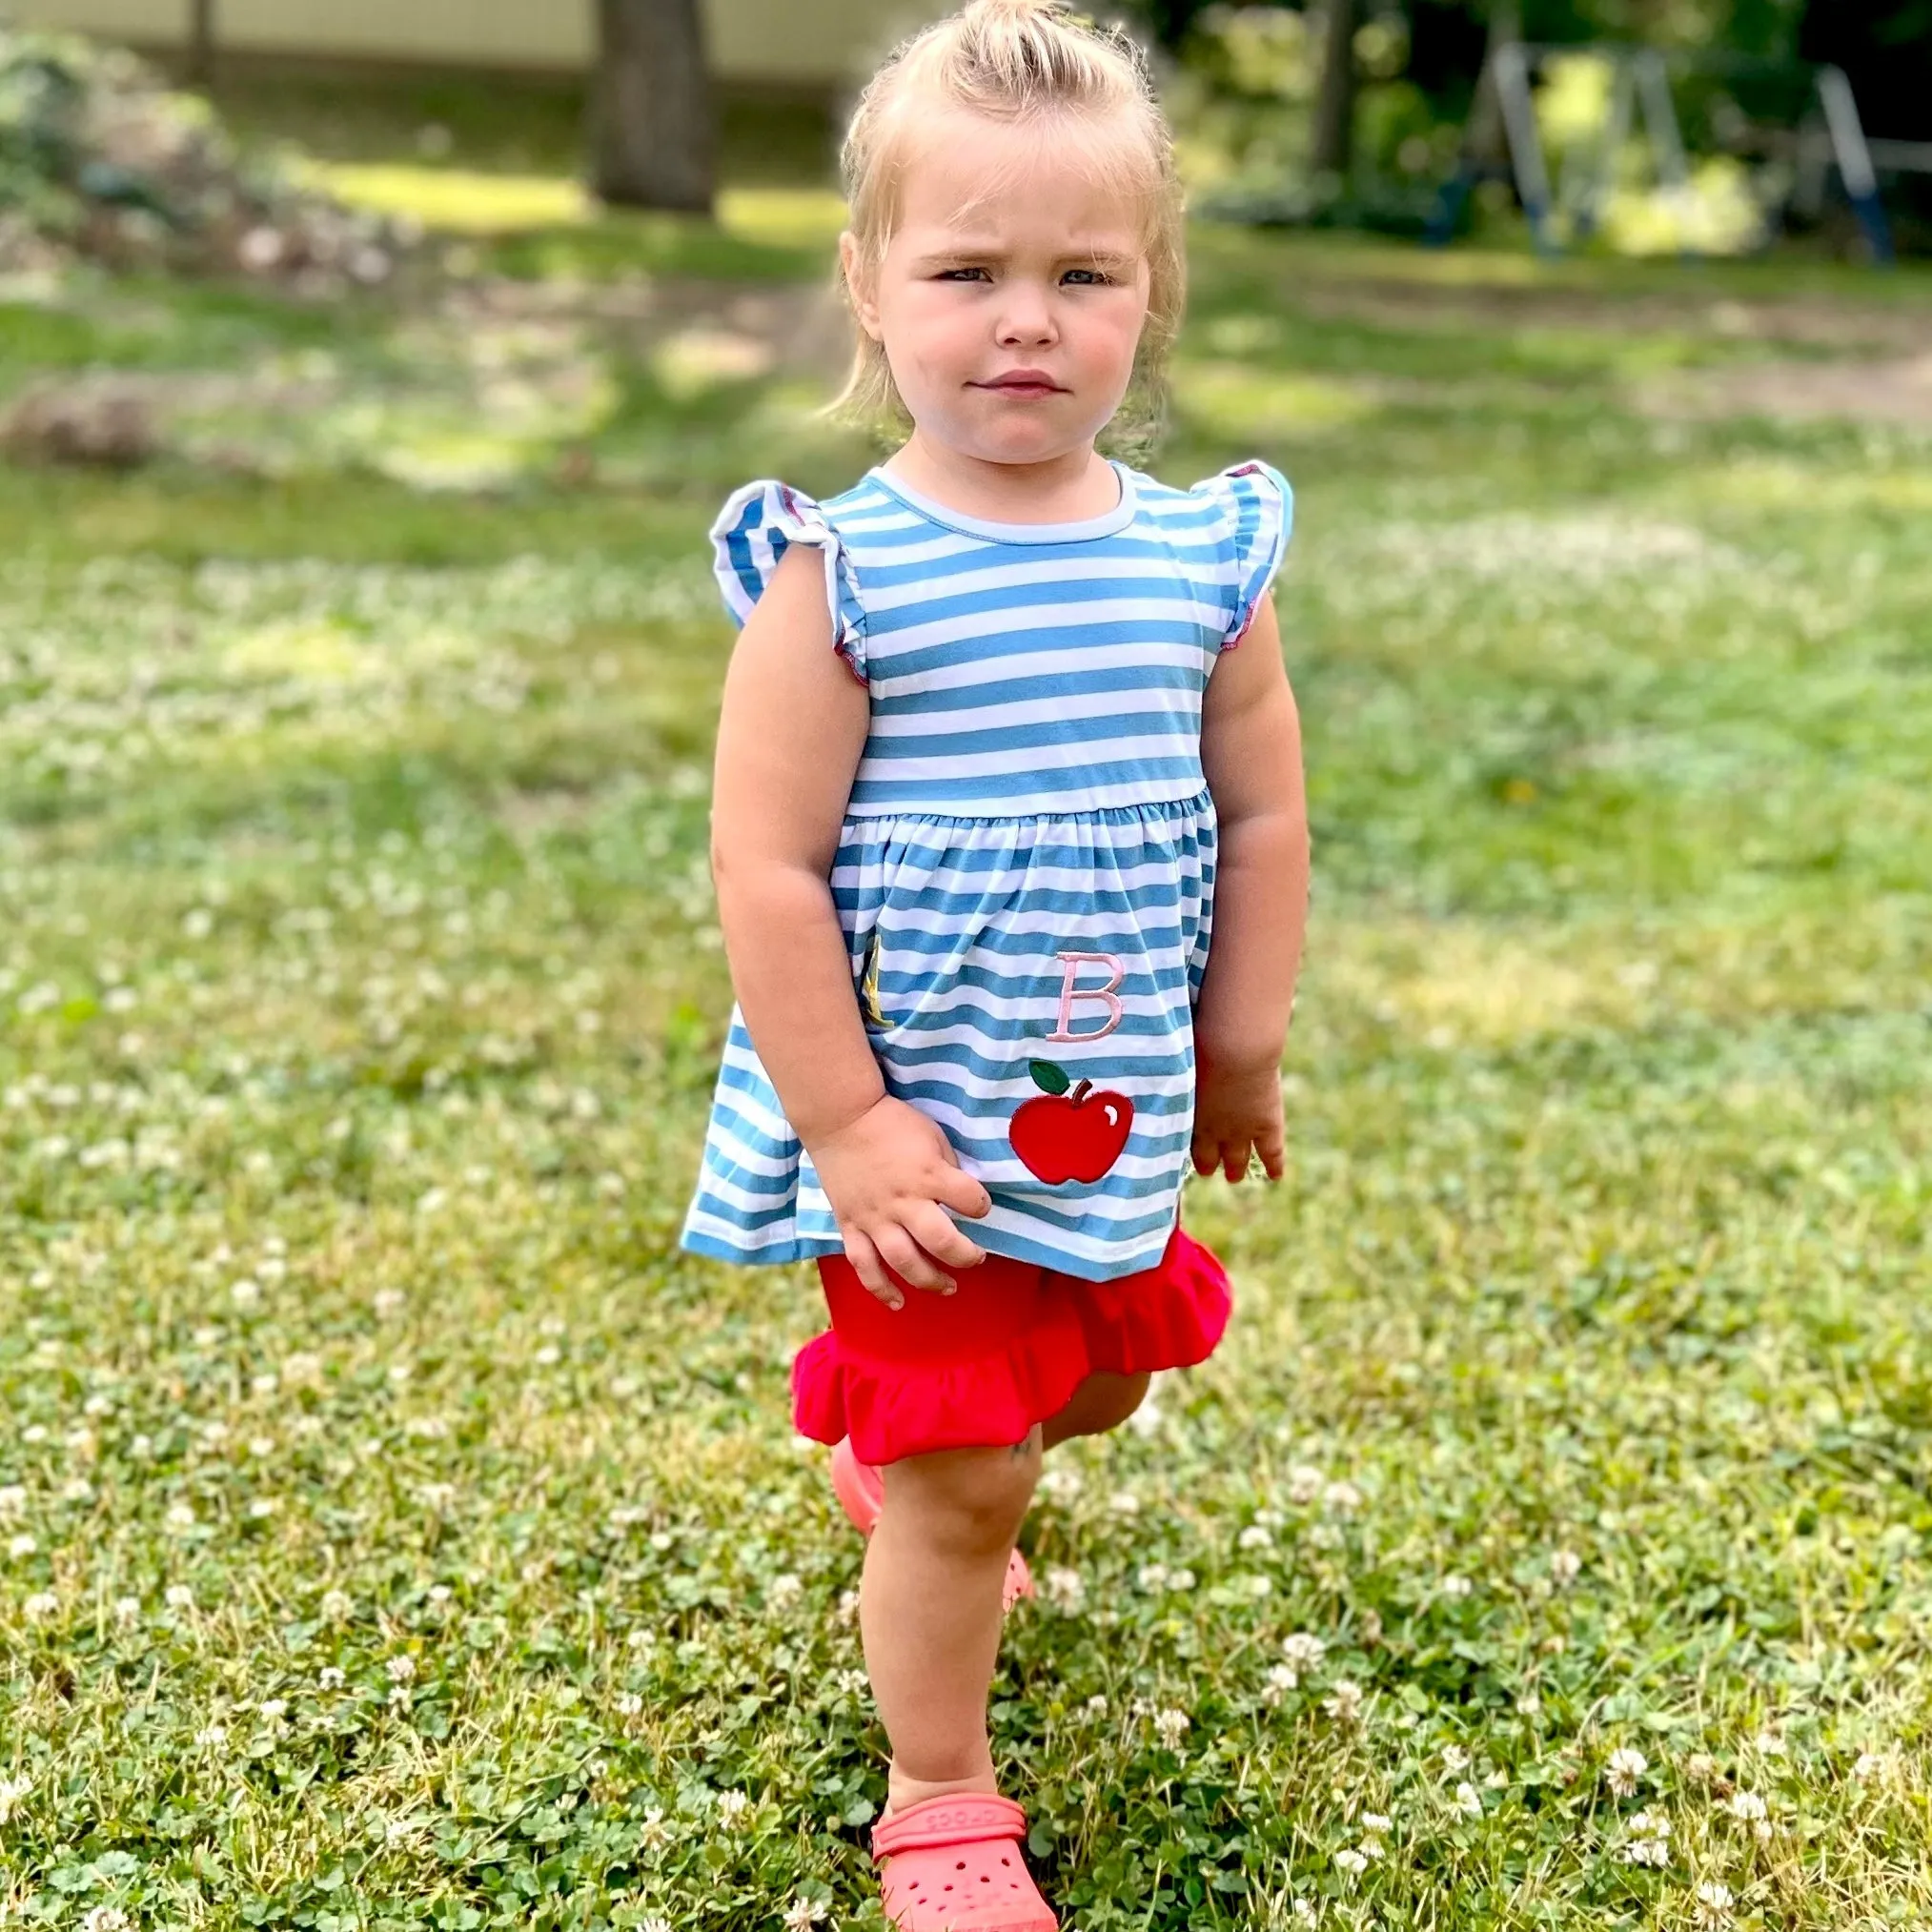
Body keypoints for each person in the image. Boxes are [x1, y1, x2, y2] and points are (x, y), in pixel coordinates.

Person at [681, 0, 1308, 1922]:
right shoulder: (836, 568)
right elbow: (765, 864)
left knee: (1081, 1393)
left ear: (1148, 296)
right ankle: (937, 1787)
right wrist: (850, 1126)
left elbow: (1262, 816)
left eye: (1078, 274)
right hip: (918, 1124)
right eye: (965, 270)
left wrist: (1238, 1045)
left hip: (1096, 1113)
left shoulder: (1197, 555)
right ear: (872, 289)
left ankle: (916, 1454)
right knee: (972, 1479)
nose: (1022, 318)